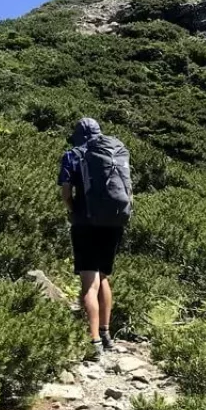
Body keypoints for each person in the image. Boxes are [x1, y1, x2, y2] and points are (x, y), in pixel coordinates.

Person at [59, 118, 134, 360]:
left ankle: (93, 341)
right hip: (113, 223)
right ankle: (107, 334)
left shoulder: (73, 155)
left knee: (88, 281)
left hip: (86, 223)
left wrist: (72, 210)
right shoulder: (112, 151)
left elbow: (66, 192)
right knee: (103, 278)